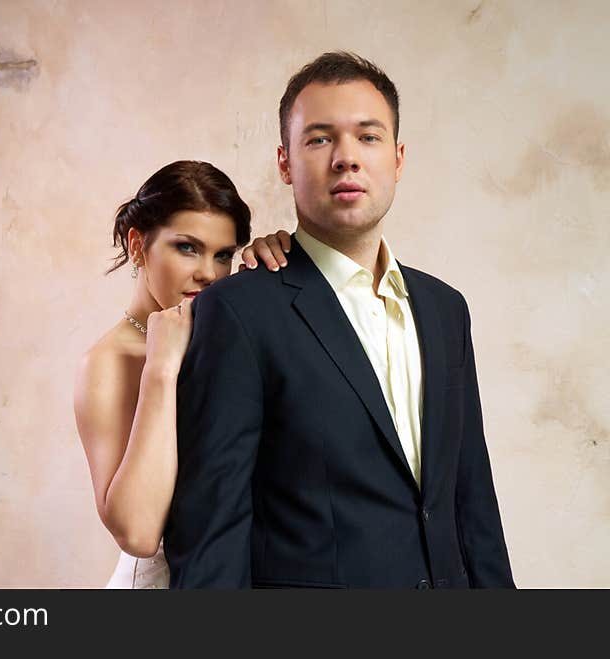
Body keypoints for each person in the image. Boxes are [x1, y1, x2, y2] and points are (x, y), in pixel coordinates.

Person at [164, 52, 516, 588]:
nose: (346, 158)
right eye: (320, 138)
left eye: (368, 137)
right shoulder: (240, 312)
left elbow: (473, 505)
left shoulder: (447, 310)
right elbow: (211, 533)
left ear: (398, 158)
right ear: (284, 162)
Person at [74, 160, 291, 588]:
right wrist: (160, 367)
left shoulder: (225, 337)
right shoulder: (109, 361)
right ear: (138, 245)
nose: (208, 273)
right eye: (187, 248)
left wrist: (281, 272)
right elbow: (137, 533)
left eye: (223, 254)